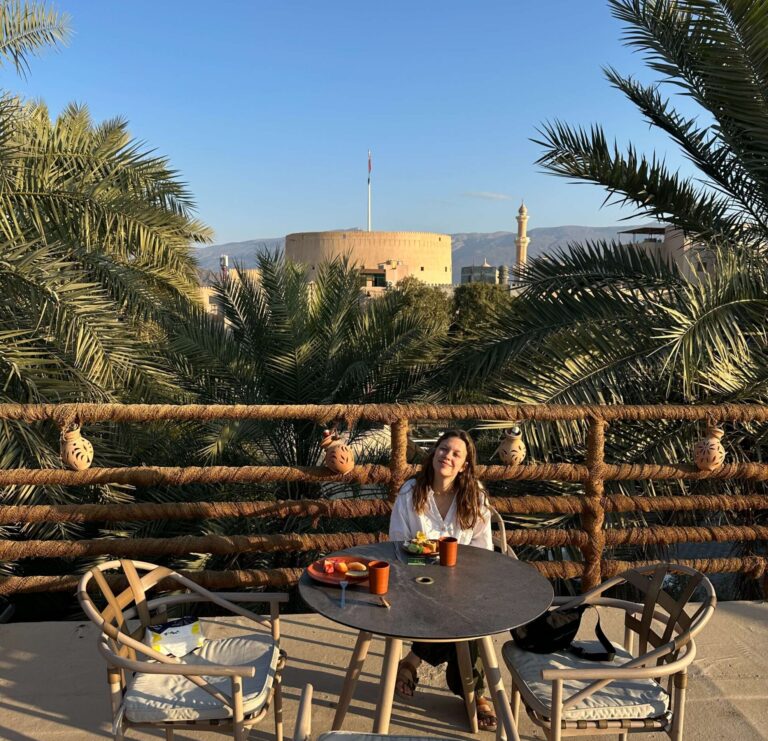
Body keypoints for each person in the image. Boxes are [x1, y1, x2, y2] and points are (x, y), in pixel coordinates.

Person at [388, 429, 497, 732]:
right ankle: (475, 694)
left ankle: (411, 660)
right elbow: (397, 541)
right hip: (416, 578)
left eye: (456, 453)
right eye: (443, 449)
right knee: (460, 614)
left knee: (468, 608)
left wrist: (465, 575)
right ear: (433, 453)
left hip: (460, 579)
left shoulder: (474, 495)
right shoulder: (412, 491)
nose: (447, 456)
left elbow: (482, 547)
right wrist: (423, 560)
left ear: (464, 464)